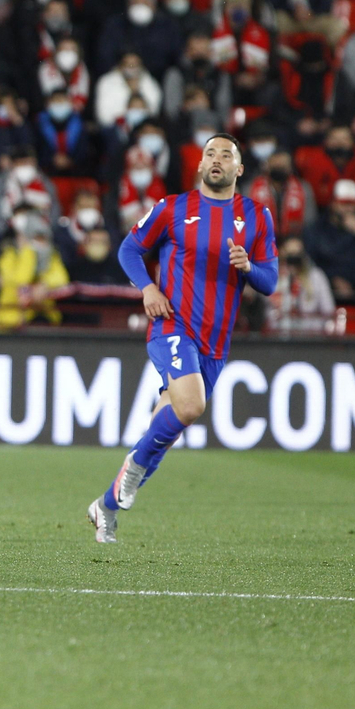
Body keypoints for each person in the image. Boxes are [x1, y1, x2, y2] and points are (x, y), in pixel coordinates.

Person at [89, 135, 278, 544]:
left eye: (226, 155)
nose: (217, 160)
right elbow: (129, 250)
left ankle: (106, 505)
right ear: (199, 165)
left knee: (165, 430)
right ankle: (132, 476)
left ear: (239, 170)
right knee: (191, 406)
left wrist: (248, 268)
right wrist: (147, 289)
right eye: (210, 153)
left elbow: (270, 281)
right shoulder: (173, 208)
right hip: (172, 325)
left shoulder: (258, 216)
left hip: (215, 342)